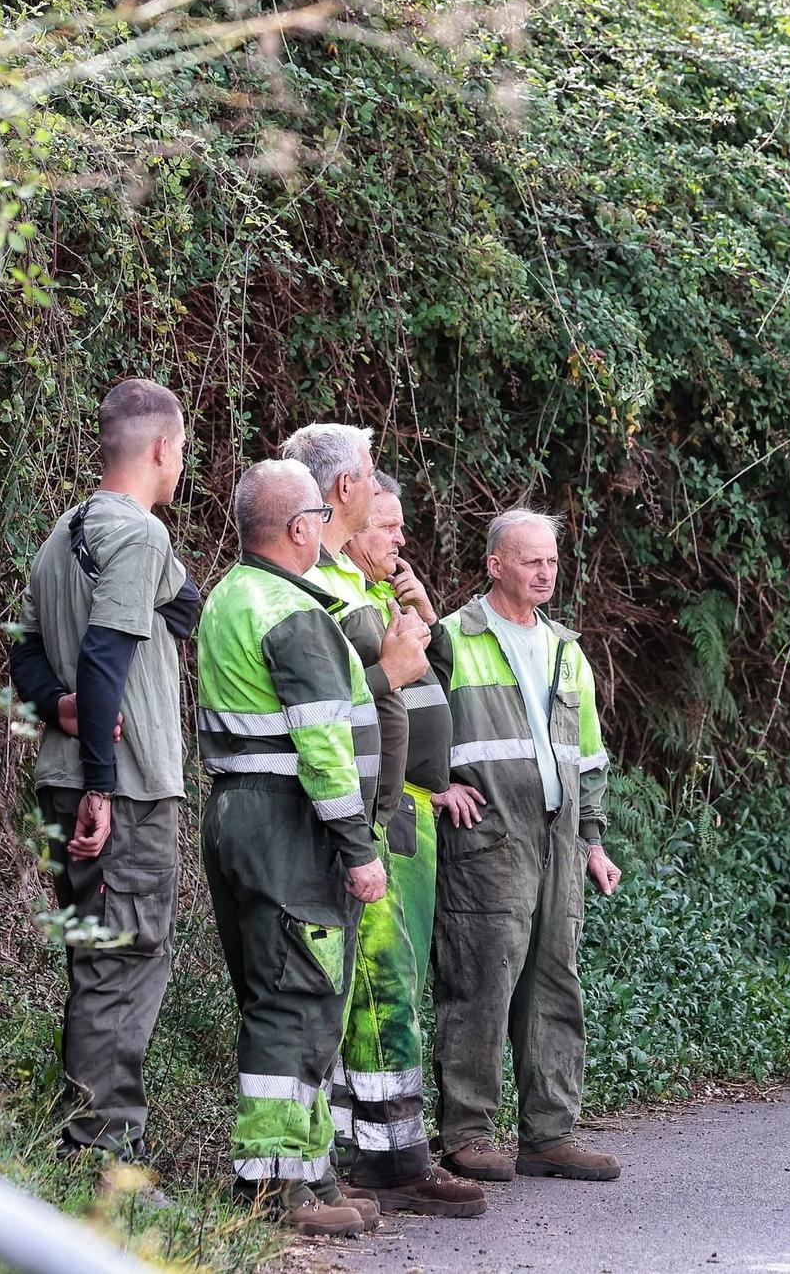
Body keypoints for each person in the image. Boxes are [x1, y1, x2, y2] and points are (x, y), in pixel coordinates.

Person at [279, 431, 480, 1217]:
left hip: (410, 807)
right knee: (376, 984)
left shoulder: (373, 591)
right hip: (374, 811)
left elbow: (427, 687)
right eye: (388, 524)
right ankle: (386, 1158)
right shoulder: (321, 587)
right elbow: (344, 704)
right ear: (343, 507)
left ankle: (376, 1150)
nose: (400, 539)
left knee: (390, 983)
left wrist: (423, 618)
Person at [194, 459, 393, 1236]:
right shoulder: (292, 610)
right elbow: (323, 747)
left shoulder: (227, 597)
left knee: (287, 992)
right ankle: (274, 1187)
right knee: (296, 997)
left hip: (236, 814)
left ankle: (309, 1173)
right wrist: (358, 846)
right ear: (301, 526)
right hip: (289, 825)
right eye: (317, 514)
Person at [7, 376, 194, 1165]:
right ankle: (102, 1151)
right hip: (123, 787)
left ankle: (83, 1137)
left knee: (98, 957)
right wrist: (101, 785)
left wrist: (58, 706)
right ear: (159, 448)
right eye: (180, 450)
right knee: (125, 961)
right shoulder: (139, 536)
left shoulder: (65, 532)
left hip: (68, 771)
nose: (181, 464)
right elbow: (108, 651)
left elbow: (21, 644)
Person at [432, 508, 623, 1184]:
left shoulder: (567, 648)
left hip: (559, 846)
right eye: (531, 560)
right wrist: (428, 788)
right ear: (495, 564)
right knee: (481, 982)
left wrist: (594, 842)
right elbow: (412, 724)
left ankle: (550, 1133)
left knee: (554, 984)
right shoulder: (451, 637)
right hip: (485, 841)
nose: (546, 571)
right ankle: (468, 1132)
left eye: (551, 560)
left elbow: (590, 758)